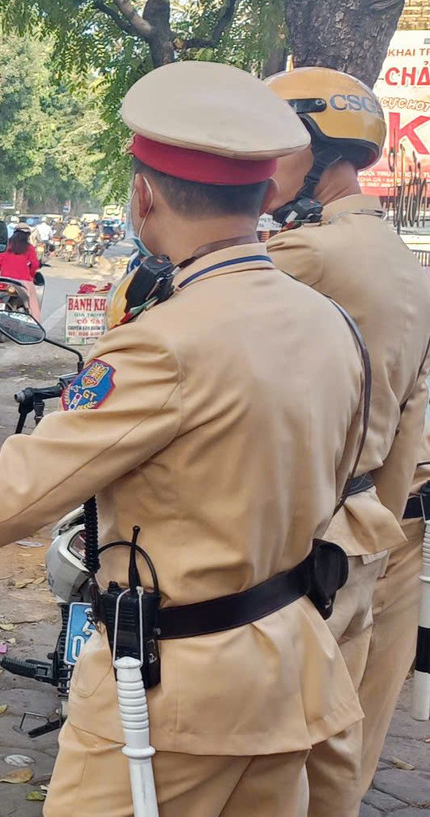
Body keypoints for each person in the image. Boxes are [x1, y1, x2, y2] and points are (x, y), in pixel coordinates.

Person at [0, 61, 366, 815]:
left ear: (144, 193)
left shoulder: (164, 344)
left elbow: (28, 485)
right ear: (266, 192)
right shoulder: (330, 321)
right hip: (291, 671)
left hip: (170, 698)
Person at [265, 67, 430, 812]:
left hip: (323, 546)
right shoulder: (405, 264)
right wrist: (381, 533)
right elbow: (408, 423)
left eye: (276, 146)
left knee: (281, 755)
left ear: (315, 150)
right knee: (347, 755)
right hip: (389, 535)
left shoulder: (310, 255)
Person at [0, 225, 42, 319]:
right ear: (27, 235)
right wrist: (31, 275)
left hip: (4, 279)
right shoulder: (29, 248)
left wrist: (3, 269)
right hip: (23, 281)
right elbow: (34, 265)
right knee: (32, 300)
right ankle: (35, 321)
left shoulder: (5, 246)